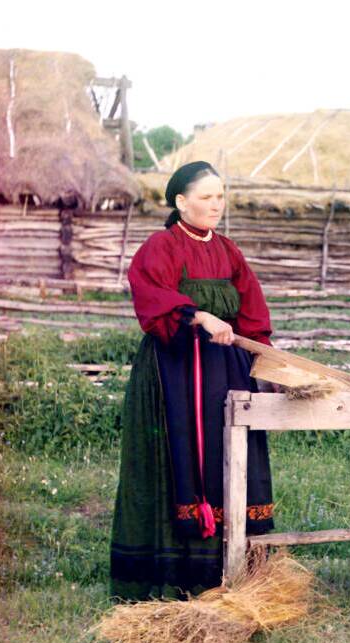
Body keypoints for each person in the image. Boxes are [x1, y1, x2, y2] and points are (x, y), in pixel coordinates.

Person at [109, 161, 275, 600]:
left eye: (220, 196)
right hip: (176, 374)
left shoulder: (228, 252)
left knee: (229, 454)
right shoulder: (159, 247)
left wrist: (266, 359)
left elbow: (253, 311)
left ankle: (234, 569)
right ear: (181, 201)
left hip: (227, 372)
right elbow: (153, 300)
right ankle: (176, 572)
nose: (215, 205)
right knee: (181, 456)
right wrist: (199, 315)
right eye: (206, 197)